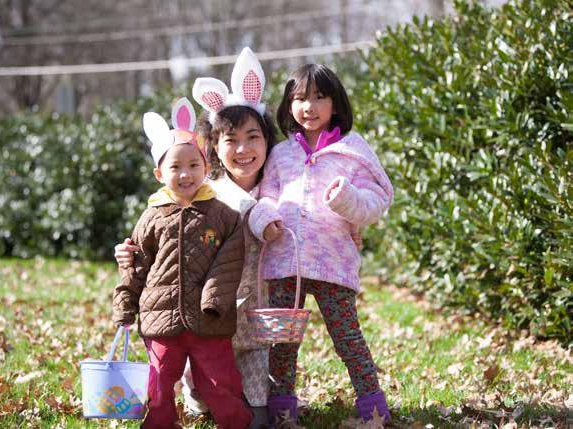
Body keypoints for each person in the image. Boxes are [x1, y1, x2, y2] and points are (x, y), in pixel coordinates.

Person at [114, 47, 277, 429]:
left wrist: (213, 299)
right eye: (176, 167)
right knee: (163, 380)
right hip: (173, 317)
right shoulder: (158, 211)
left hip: (226, 318)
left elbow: (230, 257)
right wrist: (125, 292)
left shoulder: (229, 206)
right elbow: (140, 258)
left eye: (193, 166)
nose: (185, 174)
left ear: (205, 165)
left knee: (226, 384)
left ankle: (239, 414)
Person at [247, 63, 394, 425]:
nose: (308, 107)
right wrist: (265, 219)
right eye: (299, 98)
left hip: (333, 263)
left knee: (348, 339)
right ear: (289, 105)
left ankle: (373, 409)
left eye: (319, 97)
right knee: (281, 343)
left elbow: (376, 201)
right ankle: (282, 412)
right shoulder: (281, 154)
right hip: (285, 263)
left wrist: (347, 199)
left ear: (335, 103)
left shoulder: (352, 150)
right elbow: (266, 196)